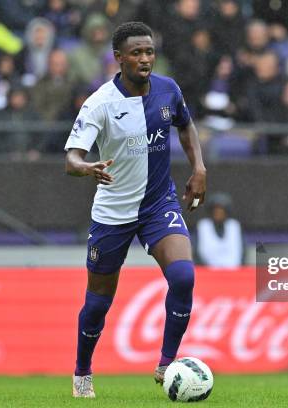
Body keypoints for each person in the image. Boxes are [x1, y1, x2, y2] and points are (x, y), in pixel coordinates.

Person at [64, 22, 206, 398]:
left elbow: (186, 127)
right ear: (119, 58)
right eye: (137, 53)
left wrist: (199, 169)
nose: (145, 59)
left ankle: (166, 365)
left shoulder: (168, 89)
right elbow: (72, 157)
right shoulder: (99, 103)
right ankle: (82, 372)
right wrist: (85, 166)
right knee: (97, 304)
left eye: (149, 52)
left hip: (159, 203)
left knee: (184, 278)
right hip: (113, 212)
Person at [195, 193, 244, 267]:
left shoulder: (234, 226)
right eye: (216, 210)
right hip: (208, 273)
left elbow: (243, 252)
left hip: (233, 272)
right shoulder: (203, 226)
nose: (218, 213)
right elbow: (197, 253)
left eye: (221, 210)